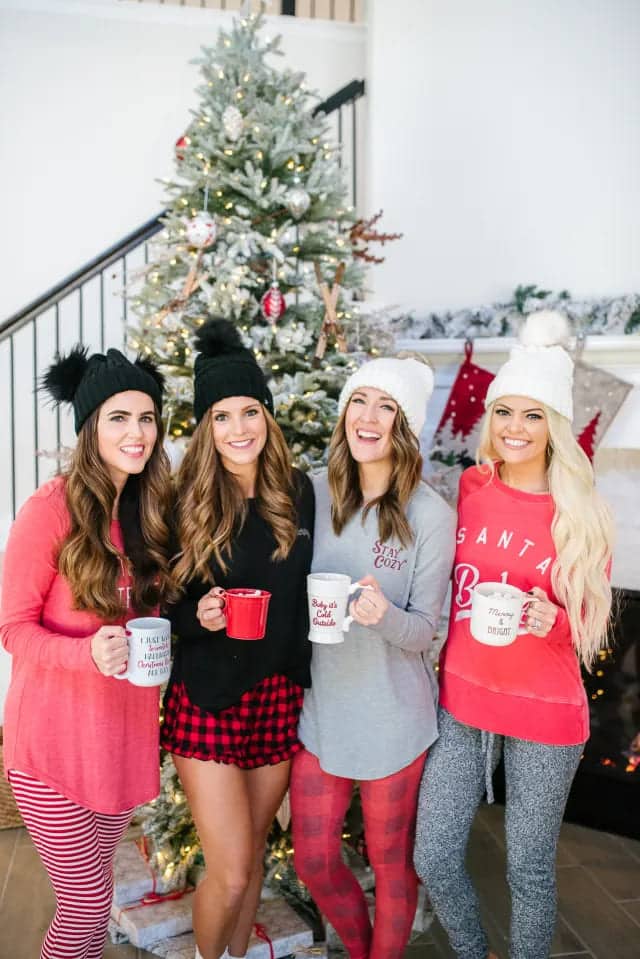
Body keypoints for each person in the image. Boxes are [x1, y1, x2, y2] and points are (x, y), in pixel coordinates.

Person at [413, 311, 615, 959]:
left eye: (533, 415)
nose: (515, 429)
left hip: (544, 712)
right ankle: (474, 951)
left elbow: (590, 623)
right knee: (433, 853)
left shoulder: (580, 511)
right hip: (463, 701)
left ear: (553, 425)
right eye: (505, 412)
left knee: (528, 869)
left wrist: (549, 617)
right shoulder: (470, 487)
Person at [0, 346, 174, 959]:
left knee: (96, 903)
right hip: (52, 747)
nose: (136, 433)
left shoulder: (149, 513)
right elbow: (11, 628)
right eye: (118, 418)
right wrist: (85, 653)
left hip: (116, 741)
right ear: (90, 427)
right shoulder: (50, 509)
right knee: (85, 910)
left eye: (147, 417)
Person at [290, 354, 456, 959]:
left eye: (387, 407)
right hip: (322, 716)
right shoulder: (311, 491)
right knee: (313, 858)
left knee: (390, 864)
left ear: (405, 426)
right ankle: (359, 949)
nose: (368, 417)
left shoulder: (431, 515)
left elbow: (424, 635)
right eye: (360, 401)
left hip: (394, 721)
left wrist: (382, 615)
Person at [160, 319, 314, 959]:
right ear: (205, 428)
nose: (238, 428)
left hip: (277, 692)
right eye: (221, 417)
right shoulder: (181, 500)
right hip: (207, 697)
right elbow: (155, 608)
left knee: (250, 861)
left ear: (268, 418)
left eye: (249, 411)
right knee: (226, 870)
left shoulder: (298, 492)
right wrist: (202, 615)